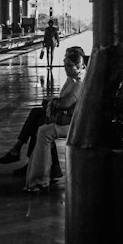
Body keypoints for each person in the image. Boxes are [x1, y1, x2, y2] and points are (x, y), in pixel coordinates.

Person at [24, 46, 87, 193]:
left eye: (70, 66)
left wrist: (53, 102)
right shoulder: (72, 79)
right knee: (42, 129)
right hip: (72, 120)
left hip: (74, 123)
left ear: (78, 66)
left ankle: (40, 178)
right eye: (65, 65)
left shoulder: (78, 81)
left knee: (44, 132)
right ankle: (42, 174)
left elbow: (65, 102)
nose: (66, 68)